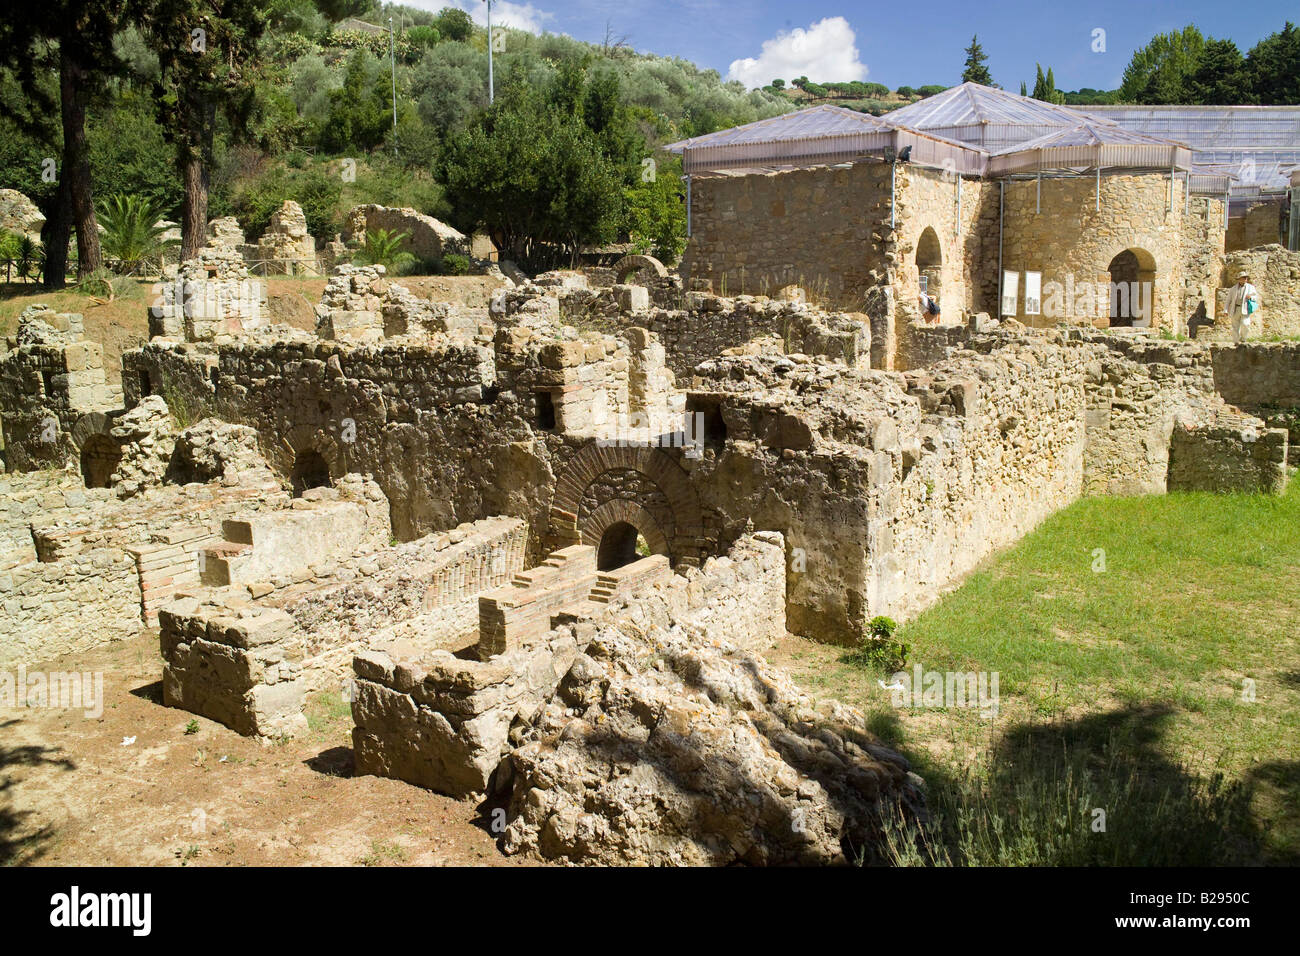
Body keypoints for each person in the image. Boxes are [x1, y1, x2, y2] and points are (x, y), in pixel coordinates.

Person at [1223, 272, 1260, 343]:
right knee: (1235, 327)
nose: (1245, 279)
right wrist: (1225, 310)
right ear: (1239, 279)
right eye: (1243, 278)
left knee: (1246, 324)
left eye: (1246, 278)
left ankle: (1243, 339)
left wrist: (1251, 297)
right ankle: (1236, 342)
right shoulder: (1233, 289)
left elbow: (1256, 297)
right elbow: (1228, 300)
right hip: (1235, 309)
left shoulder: (1251, 287)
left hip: (1245, 309)